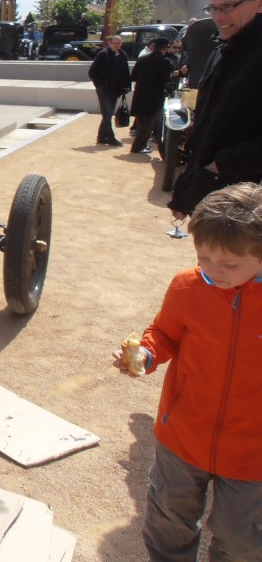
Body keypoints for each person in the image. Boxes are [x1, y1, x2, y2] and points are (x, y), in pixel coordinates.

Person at [112, 182, 262, 562]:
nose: (213, 270)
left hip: (253, 452)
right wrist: (146, 355)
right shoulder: (188, 286)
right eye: (203, 257)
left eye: (230, 264)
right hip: (182, 433)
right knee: (168, 519)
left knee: (242, 537)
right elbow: (164, 333)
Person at [168, 0, 262, 218]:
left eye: (229, 6)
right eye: (213, 8)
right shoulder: (222, 51)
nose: (219, 17)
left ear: (260, 2)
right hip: (216, 201)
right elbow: (207, 128)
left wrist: (220, 166)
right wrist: (187, 187)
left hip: (249, 209)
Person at [129, 37, 175, 155]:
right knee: (148, 124)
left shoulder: (142, 59)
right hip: (155, 97)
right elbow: (166, 81)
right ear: (166, 48)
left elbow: (133, 76)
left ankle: (142, 145)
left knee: (141, 122)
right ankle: (138, 146)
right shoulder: (166, 62)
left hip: (140, 94)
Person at [88, 35, 131, 146]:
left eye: (119, 43)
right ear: (109, 43)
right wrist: (100, 85)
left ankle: (101, 137)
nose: (117, 45)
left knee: (108, 113)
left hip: (116, 90)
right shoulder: (103, 55)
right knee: (107, 115)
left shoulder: (122, 55)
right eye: (114, 43)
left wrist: (127, 85)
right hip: (104, 90)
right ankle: (111, 138)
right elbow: (92, 72)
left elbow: (125, 72)